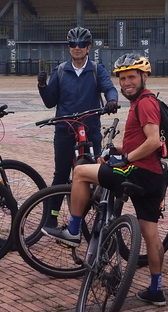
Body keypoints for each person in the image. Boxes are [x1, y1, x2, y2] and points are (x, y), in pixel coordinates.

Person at [42, 54, 168, 306]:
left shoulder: (144, 103)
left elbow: (154, 140)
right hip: (154, 175)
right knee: (151, 235)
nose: (126, 83)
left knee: (79, 172)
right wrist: (121, 150)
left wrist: (126, 158)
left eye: (132, 77)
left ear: (144, 77)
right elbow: (145, 140)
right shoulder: (144, 102)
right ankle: (156, 290)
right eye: (122, 79)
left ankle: (73, 231)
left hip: (136, 171)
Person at [37, 26, 119, 224]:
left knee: (93, 174)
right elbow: (50, 101)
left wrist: (112, 100)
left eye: (81, 44)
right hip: (65, 130)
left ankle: (91, 219)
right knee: (61, 175)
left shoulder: (97, 70)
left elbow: (109, 88)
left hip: (90, 130)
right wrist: (42, 86)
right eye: (73, 44)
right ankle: (52, 216)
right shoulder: (61, 71)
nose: (77, 48)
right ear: (69, 47)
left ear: (88, 47)